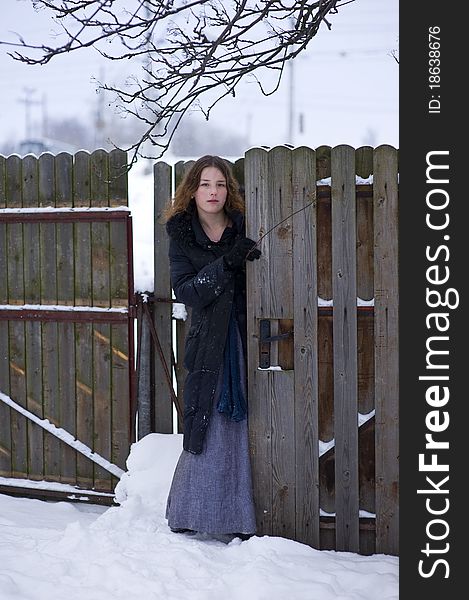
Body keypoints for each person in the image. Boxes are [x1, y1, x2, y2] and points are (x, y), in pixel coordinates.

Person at [163, 155, 261, 540]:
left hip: (247, 339)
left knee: (246, 428)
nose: (213, 192)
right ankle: (195, 511)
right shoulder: (182, 236)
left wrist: (245, 257)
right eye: (205, 184)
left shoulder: (243, 228)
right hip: (209, 347)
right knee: (210, 426)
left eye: (220, 184)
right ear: (192, 190)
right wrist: (227, 264)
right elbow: (187, 291)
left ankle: (237, 514)